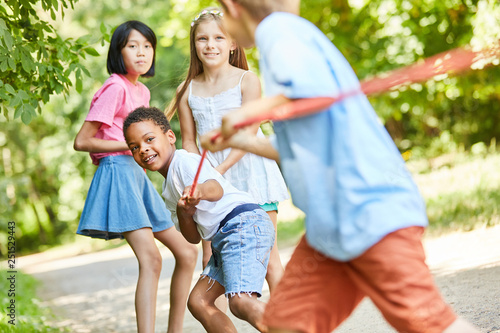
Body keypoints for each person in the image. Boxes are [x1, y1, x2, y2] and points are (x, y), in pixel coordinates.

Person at [199, 1, 481, 333]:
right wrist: (241, 141)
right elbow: (298, 140)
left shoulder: (278, 31)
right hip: (330, 231)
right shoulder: (287, 39)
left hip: (370, 214)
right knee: (288, 325)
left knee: (431, 325)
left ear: (231, 7)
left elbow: (309, 96)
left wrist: (246, 113)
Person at [73, 21, 198, 333]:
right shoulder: (115, 87)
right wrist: (130, 145)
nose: (142, 52)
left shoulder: (140, 89)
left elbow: (146, 140)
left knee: (186, 251)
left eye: (147, 45)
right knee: (152, 260)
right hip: (117, 173)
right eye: (133, 45)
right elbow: (83, 140)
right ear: (119, 52)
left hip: (136, 176)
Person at [166, 7, 289, 290]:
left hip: (249, 173)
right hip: (210, 181)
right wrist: (201, 179)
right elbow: (187, 141)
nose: (210, 45)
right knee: (211, 257)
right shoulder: (186, 90)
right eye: (202, 39)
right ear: (194, 44)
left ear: (233, 42)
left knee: (268, 258)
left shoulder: (248, 80)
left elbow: (248, 133)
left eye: (219, 38)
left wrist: (219, 170)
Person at [123, 106, 275, 332]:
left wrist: (199, 190)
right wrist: (185, 212)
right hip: (225, 239)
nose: (143, 149)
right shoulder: (167, 190)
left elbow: (216, 189)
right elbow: (192, 237)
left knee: (240, 300)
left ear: (170, 136)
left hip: (242, 224)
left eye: (149, 139)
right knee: (198, 301)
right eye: (134, 147)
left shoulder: (184, 162)